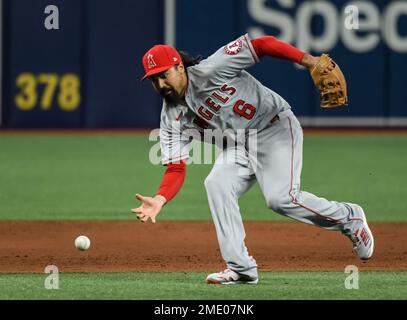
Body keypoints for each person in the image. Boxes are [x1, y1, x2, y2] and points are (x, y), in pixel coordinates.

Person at [132, 33, 374, 285]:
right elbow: (175, 168)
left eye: (164, 75)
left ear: (179, 67)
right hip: (240, 145)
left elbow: (262, 44)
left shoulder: (213, 69)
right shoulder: (171, 117)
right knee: (216, 183)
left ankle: (349, 217)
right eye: (153, 80)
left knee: (281, 199)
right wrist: (160, 199)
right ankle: (241, 268)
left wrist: (309, 61)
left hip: (274, 126)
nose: (161, 85)